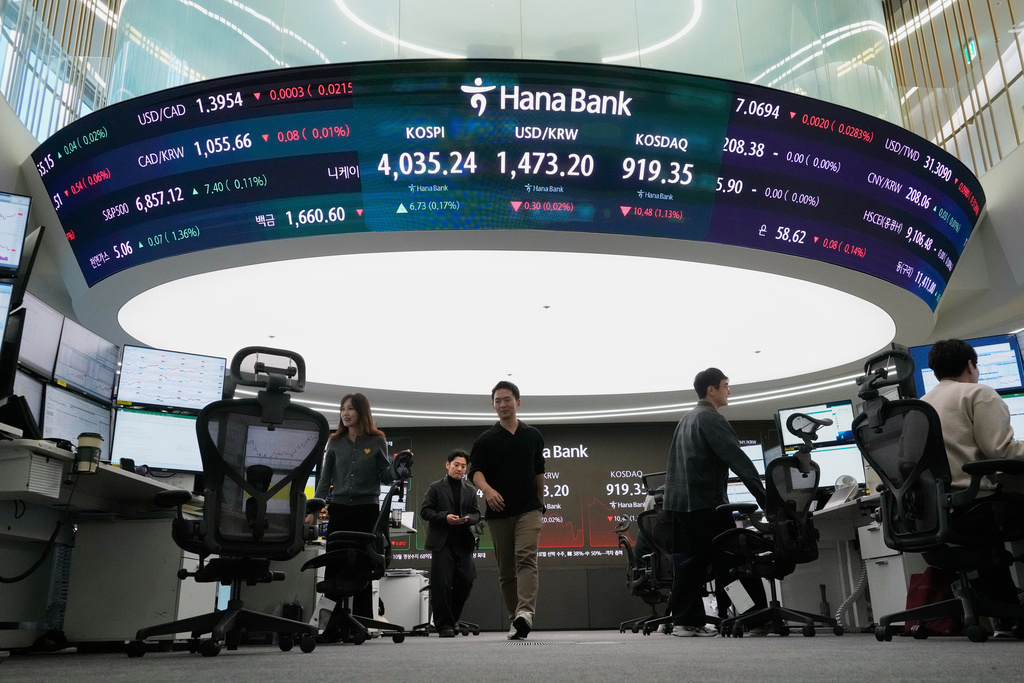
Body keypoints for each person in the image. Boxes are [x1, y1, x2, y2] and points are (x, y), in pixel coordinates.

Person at [921, 339, 1024, 635]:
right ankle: (1008, 613)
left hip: (938, 510)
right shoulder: (979, 393)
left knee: (990, 534)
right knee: (1003, 510)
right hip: (972, 505)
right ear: (970, 365)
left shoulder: (920, 406)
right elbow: (1000, 451)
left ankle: (1007, 617)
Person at [662, 368, 768, 637]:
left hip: (680, 507)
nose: (729, 390)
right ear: (711, 389)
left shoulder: (687, 419)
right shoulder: (711, 418)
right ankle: (754, 618)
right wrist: (766, 499)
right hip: (708, 505)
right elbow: (739, 461)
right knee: (734, 563)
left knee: (690, 565)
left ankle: (687, 622)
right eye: (725, 385)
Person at [307, 392, 395, 632]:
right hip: (340, 509)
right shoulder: (334, 441)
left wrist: (398, 470)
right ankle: (328, 626)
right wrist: (315, 509)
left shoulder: (377, 440)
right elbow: (325, 479)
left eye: (350, 409)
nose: (345, 413)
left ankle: (361, 625)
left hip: (367, 511)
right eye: (342, 409)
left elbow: (385, 475)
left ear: (361, 411)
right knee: (334, 565)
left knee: (364, 566)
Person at [469, 380, 545, 640]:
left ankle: (525, 613)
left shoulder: (533, 435)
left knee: (526, 557)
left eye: (507, 399)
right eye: (498, 401)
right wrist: (488, 491)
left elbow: (539, 472)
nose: (503, 404)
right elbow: (475, 473)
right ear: (493, 406)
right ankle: (516, 619)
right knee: (506, 570)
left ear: (518, 402)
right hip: (499, 512)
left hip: (529, 509)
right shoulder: (486, 440)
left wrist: (541, 503)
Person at [419, 449, 481, 638]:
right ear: (448, 465)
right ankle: (443, 625)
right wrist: (445, 517)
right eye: (456, 465)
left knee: (467, 580)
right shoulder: (436, 487)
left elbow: (477, 514)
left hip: (462, 542)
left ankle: (452, 618)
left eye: (463, 466)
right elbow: (425, 511)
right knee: (442, 584)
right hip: (442, 542)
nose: (460, 469)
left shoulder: (470, 490)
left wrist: (467, 519)